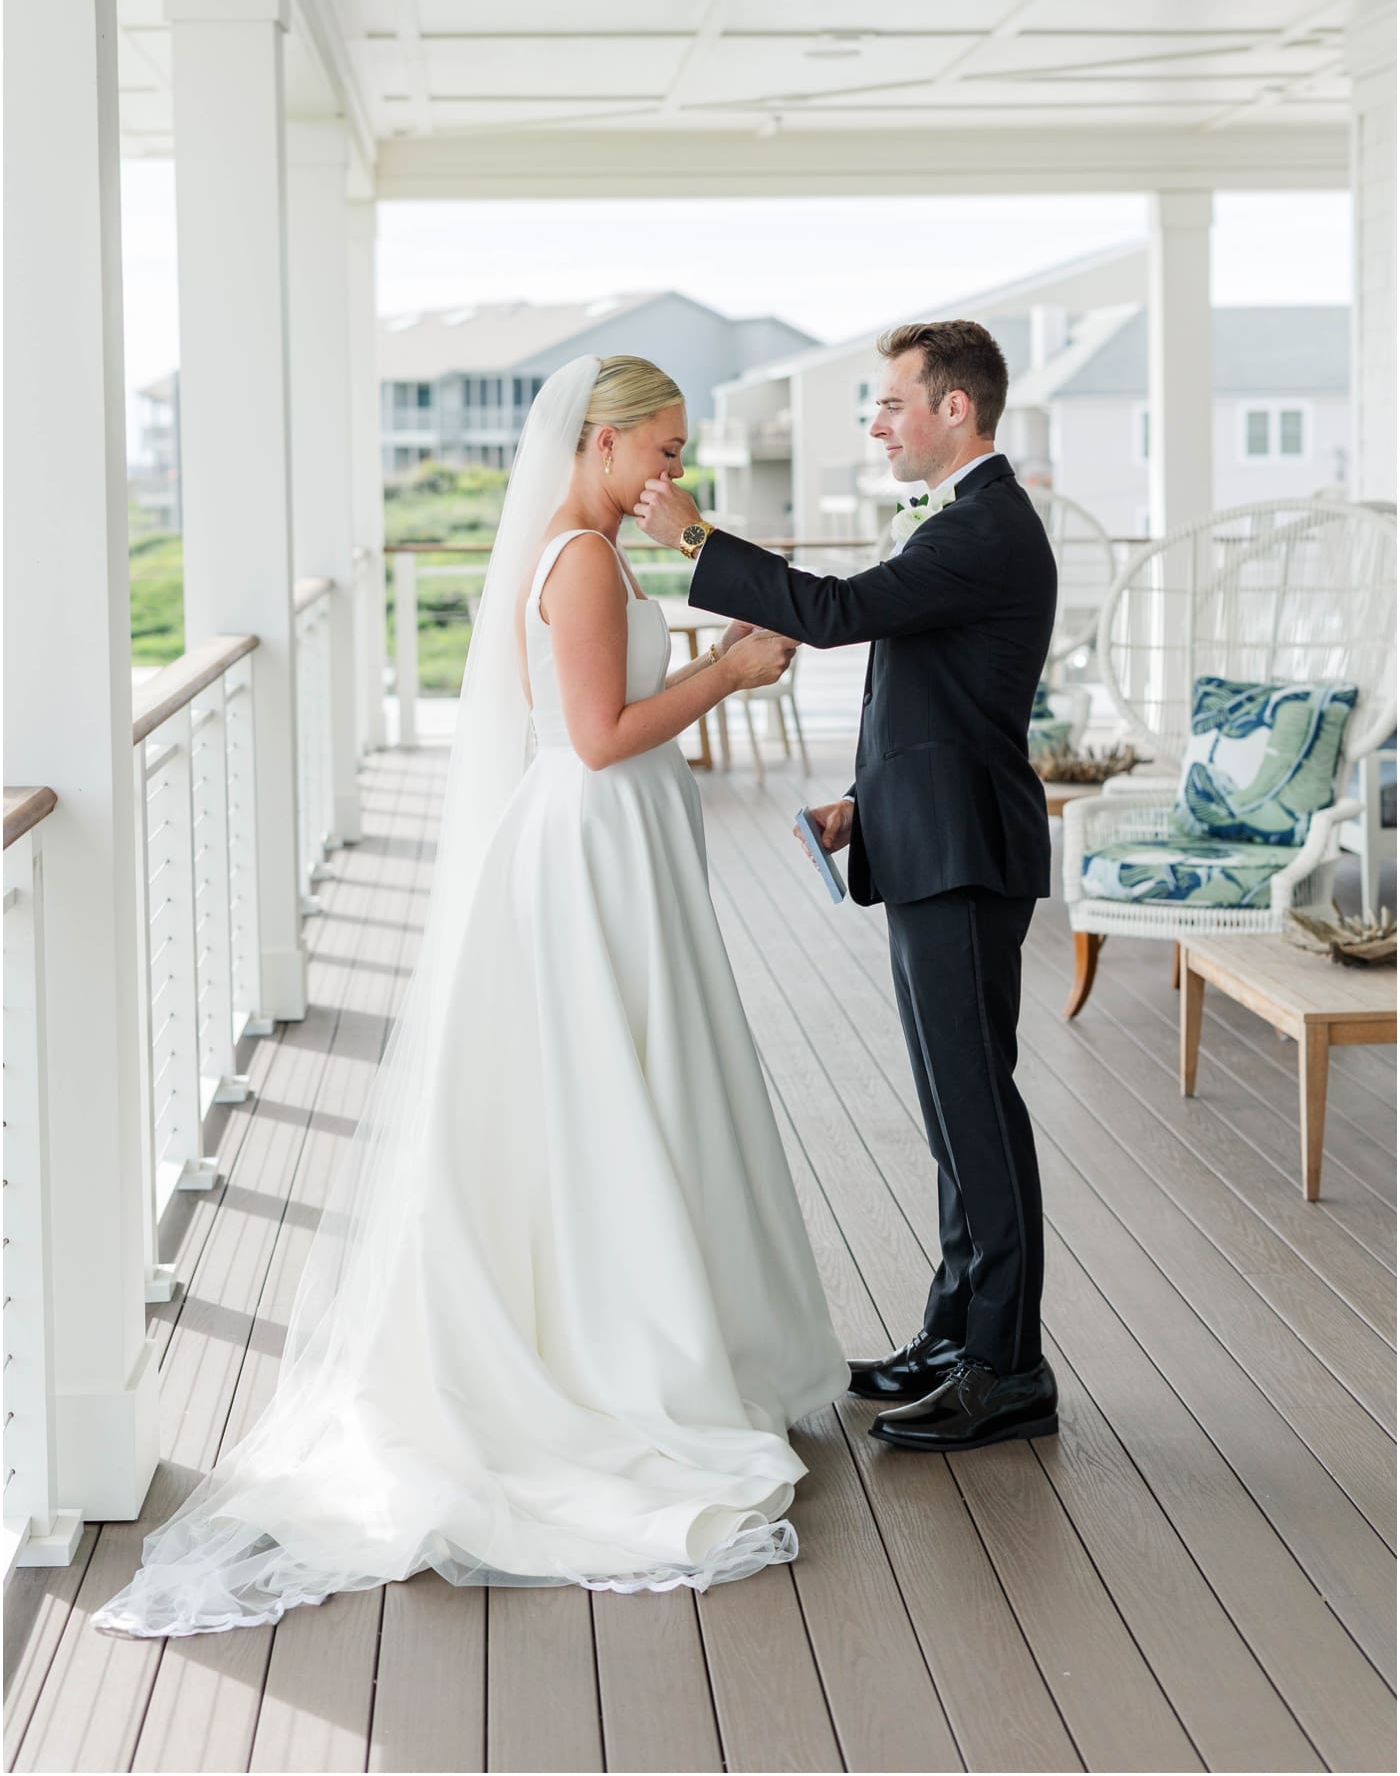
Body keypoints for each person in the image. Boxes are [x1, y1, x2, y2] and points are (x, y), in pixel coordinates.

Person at [93, 354, 848, 1639]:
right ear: (600, 444)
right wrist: (726, 678)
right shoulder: (582, 561)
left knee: (631, 1085)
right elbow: (598, 736)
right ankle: (619, 1352)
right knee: (610, 1092)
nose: (675, 470)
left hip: (612, 838)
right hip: (594, 839)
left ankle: (646, 1328)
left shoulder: (588, 554)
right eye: (661, 450)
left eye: (678, 452)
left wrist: (714, 653)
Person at [636, 320, 1059, 1454]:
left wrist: (696, 537)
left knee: (977, 1111)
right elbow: (943, 701)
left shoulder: (985, 525)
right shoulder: (961, 522)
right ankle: (955, 1336)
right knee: (952, 1112)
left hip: (966, 854)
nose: (876, 425)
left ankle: (1008, 1369)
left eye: (888, 402)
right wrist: (866, 802)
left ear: (955, 408)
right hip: (932, 837)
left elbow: (835, 615)